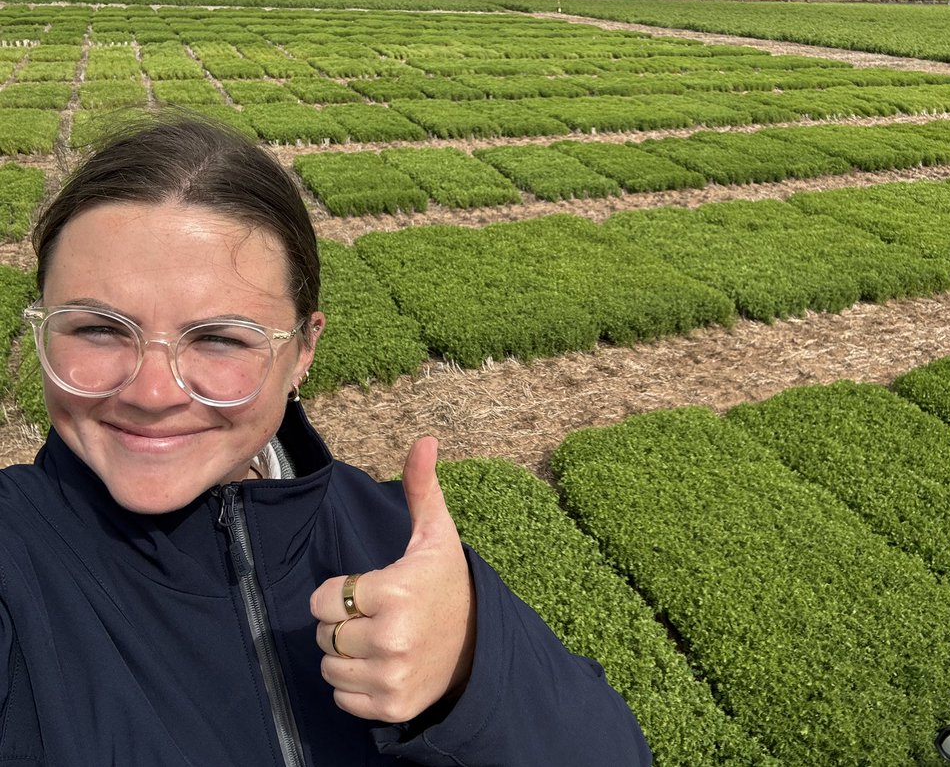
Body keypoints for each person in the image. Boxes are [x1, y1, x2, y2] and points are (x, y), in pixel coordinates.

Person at [0, 112, 652, 766]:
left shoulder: (401, 551)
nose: (152, 392)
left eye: (221, 338)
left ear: (303, 351)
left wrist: (470, 675)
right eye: (97, 329)